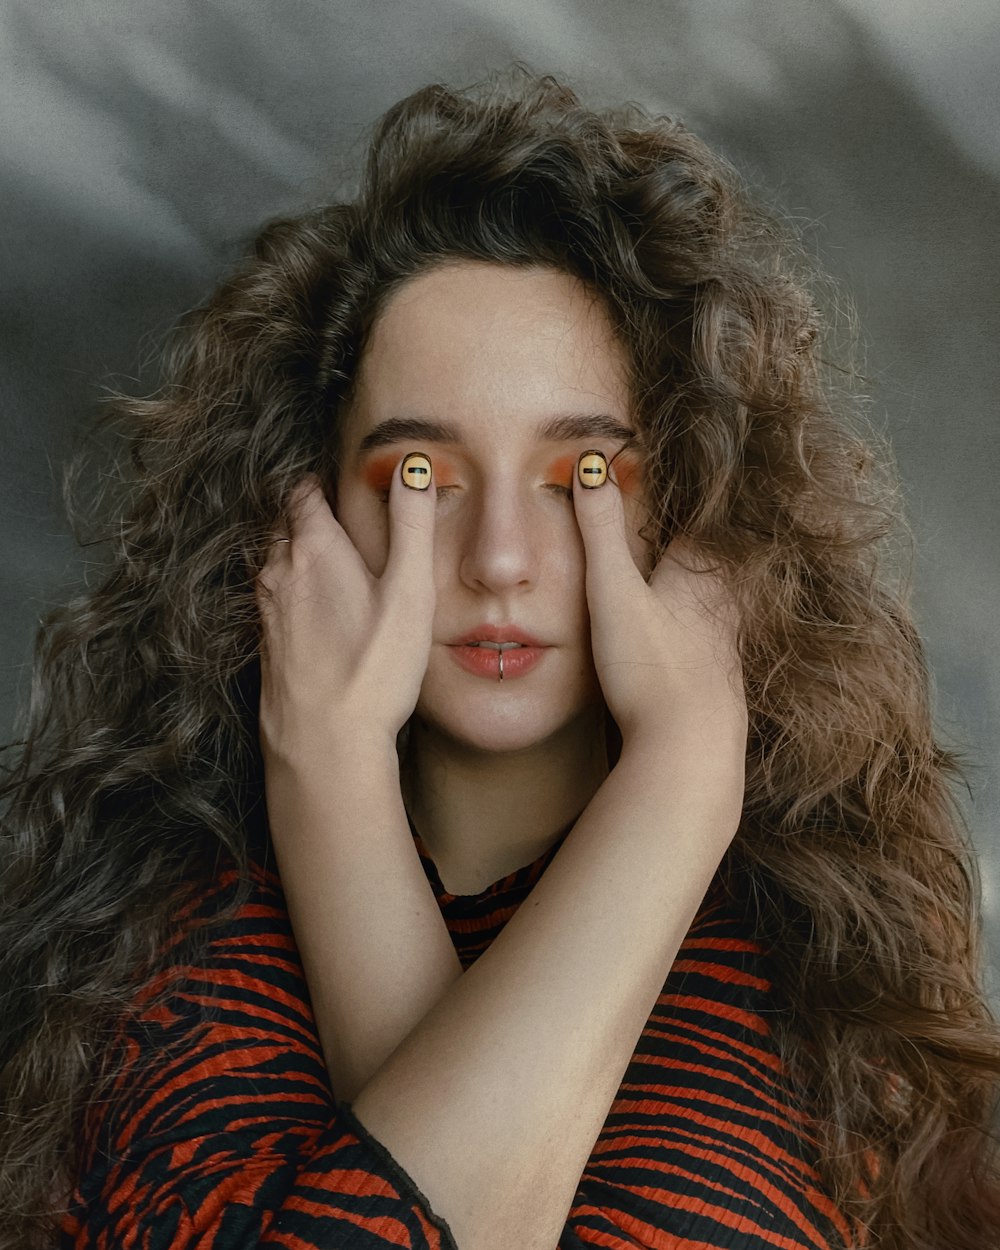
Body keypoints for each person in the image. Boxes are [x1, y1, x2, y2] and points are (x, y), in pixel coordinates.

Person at [1, 65, 998, 1250]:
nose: (501, 558)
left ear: (698, 510)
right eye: (419, 475)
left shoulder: (817, 1003)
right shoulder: (148, 968)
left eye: (583, 476)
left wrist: (683, 776)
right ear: (302, 524)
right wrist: (336, 782)